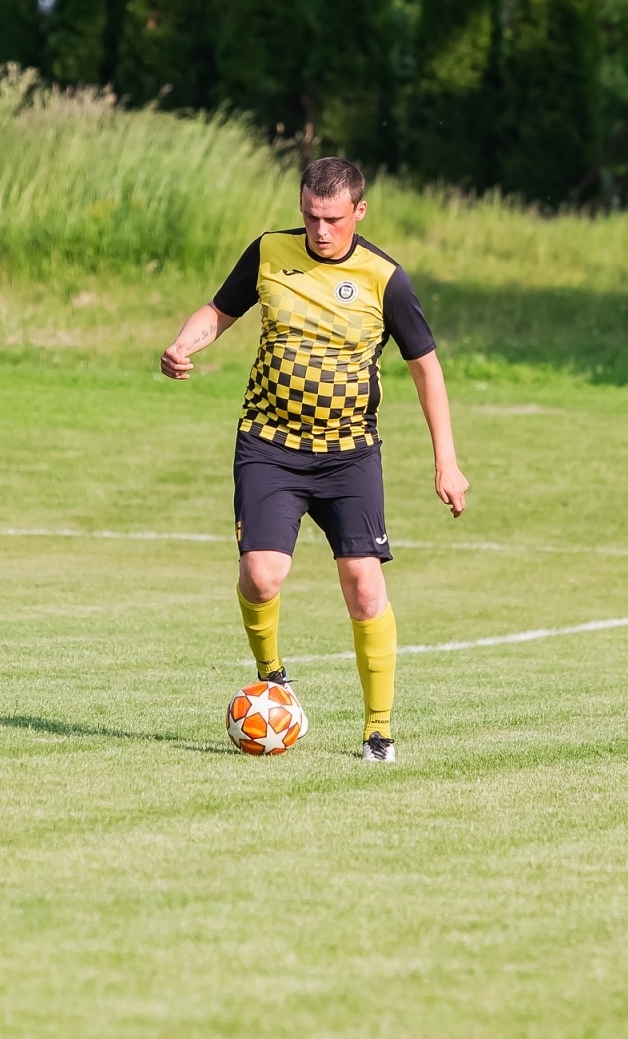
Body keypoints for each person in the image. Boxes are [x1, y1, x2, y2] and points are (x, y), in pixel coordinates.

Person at [160, 157, 469, 763]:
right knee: (261, 575)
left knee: (363, 586)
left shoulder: (386, 278)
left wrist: (446, 462)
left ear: (359, 211)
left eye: (331, 218)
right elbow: (218, 312)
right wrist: (182, 344)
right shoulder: (270, 252)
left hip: (349, 455)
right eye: (309, 216)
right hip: (270, 444)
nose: (319, 230)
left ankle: (377, 729)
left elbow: (425, 368)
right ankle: (272, 673)